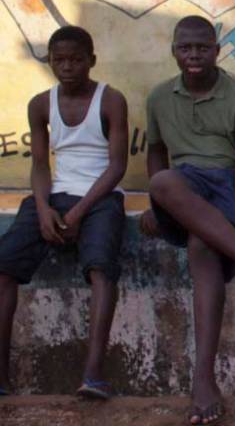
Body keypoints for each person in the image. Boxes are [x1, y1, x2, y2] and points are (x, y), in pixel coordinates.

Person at [140, 15, 235, 425]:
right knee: (165, 181)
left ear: (216, 51)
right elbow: (155, 155)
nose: (193, 56)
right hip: (184, 188)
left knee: (202, 244)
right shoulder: (157, 98)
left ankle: (203, 380)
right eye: (185, 48)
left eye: (202, 48)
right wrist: (155, 208)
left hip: (230, 186)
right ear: (174, 51)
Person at [0, 26, 128, 399]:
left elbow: (117, 166)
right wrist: (42, 208)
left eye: (76, 59)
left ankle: (93, 377)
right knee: (3, 267)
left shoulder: (111, 100)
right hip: (55, 196)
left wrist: (79, 213)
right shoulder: (41, 103)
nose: (67, 66)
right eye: (59, 60)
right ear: (50, 61)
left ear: (92, 60)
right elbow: (41, 165)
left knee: (101, 269)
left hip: (101, 196)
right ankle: (2, 379)